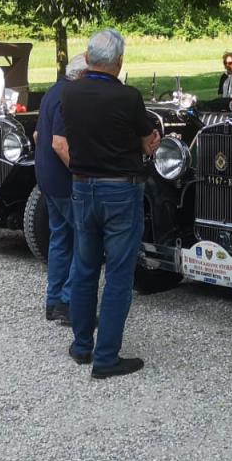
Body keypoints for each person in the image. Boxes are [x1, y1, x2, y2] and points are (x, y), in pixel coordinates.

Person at [58, 29, 160, 379]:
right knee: (118, 273)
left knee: (84, 267)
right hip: (120, 190)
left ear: (87, 58)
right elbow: (149, 141)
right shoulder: (128, 97)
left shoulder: (68, 94)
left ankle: (82, 344)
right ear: (119, 62)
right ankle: (106, 357)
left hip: (82, 187)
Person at [34, 54, 88, 325]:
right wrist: (81, 171)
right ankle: (68, 302)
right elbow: (59, 143)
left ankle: (53, 300)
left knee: (60, 239)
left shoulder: (52, 91)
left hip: (46, 177)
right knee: (83, 241)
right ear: (82, 75)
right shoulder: (71, 96)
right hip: (66, 181)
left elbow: (37, 135)